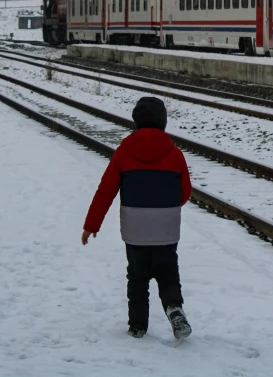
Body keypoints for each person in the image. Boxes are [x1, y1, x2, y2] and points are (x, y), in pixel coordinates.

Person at [81, 97, 192, 340]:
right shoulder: (175, 155)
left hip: (135, 230)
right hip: (166, 228)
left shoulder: (123, 153)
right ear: (163, 122)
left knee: (137, 277)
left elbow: (106, 191)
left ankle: (138, 325)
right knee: (168, 272)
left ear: (136, 123)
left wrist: (91, 225)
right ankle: (174, 307)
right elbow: (185, 192)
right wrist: (166, 208)